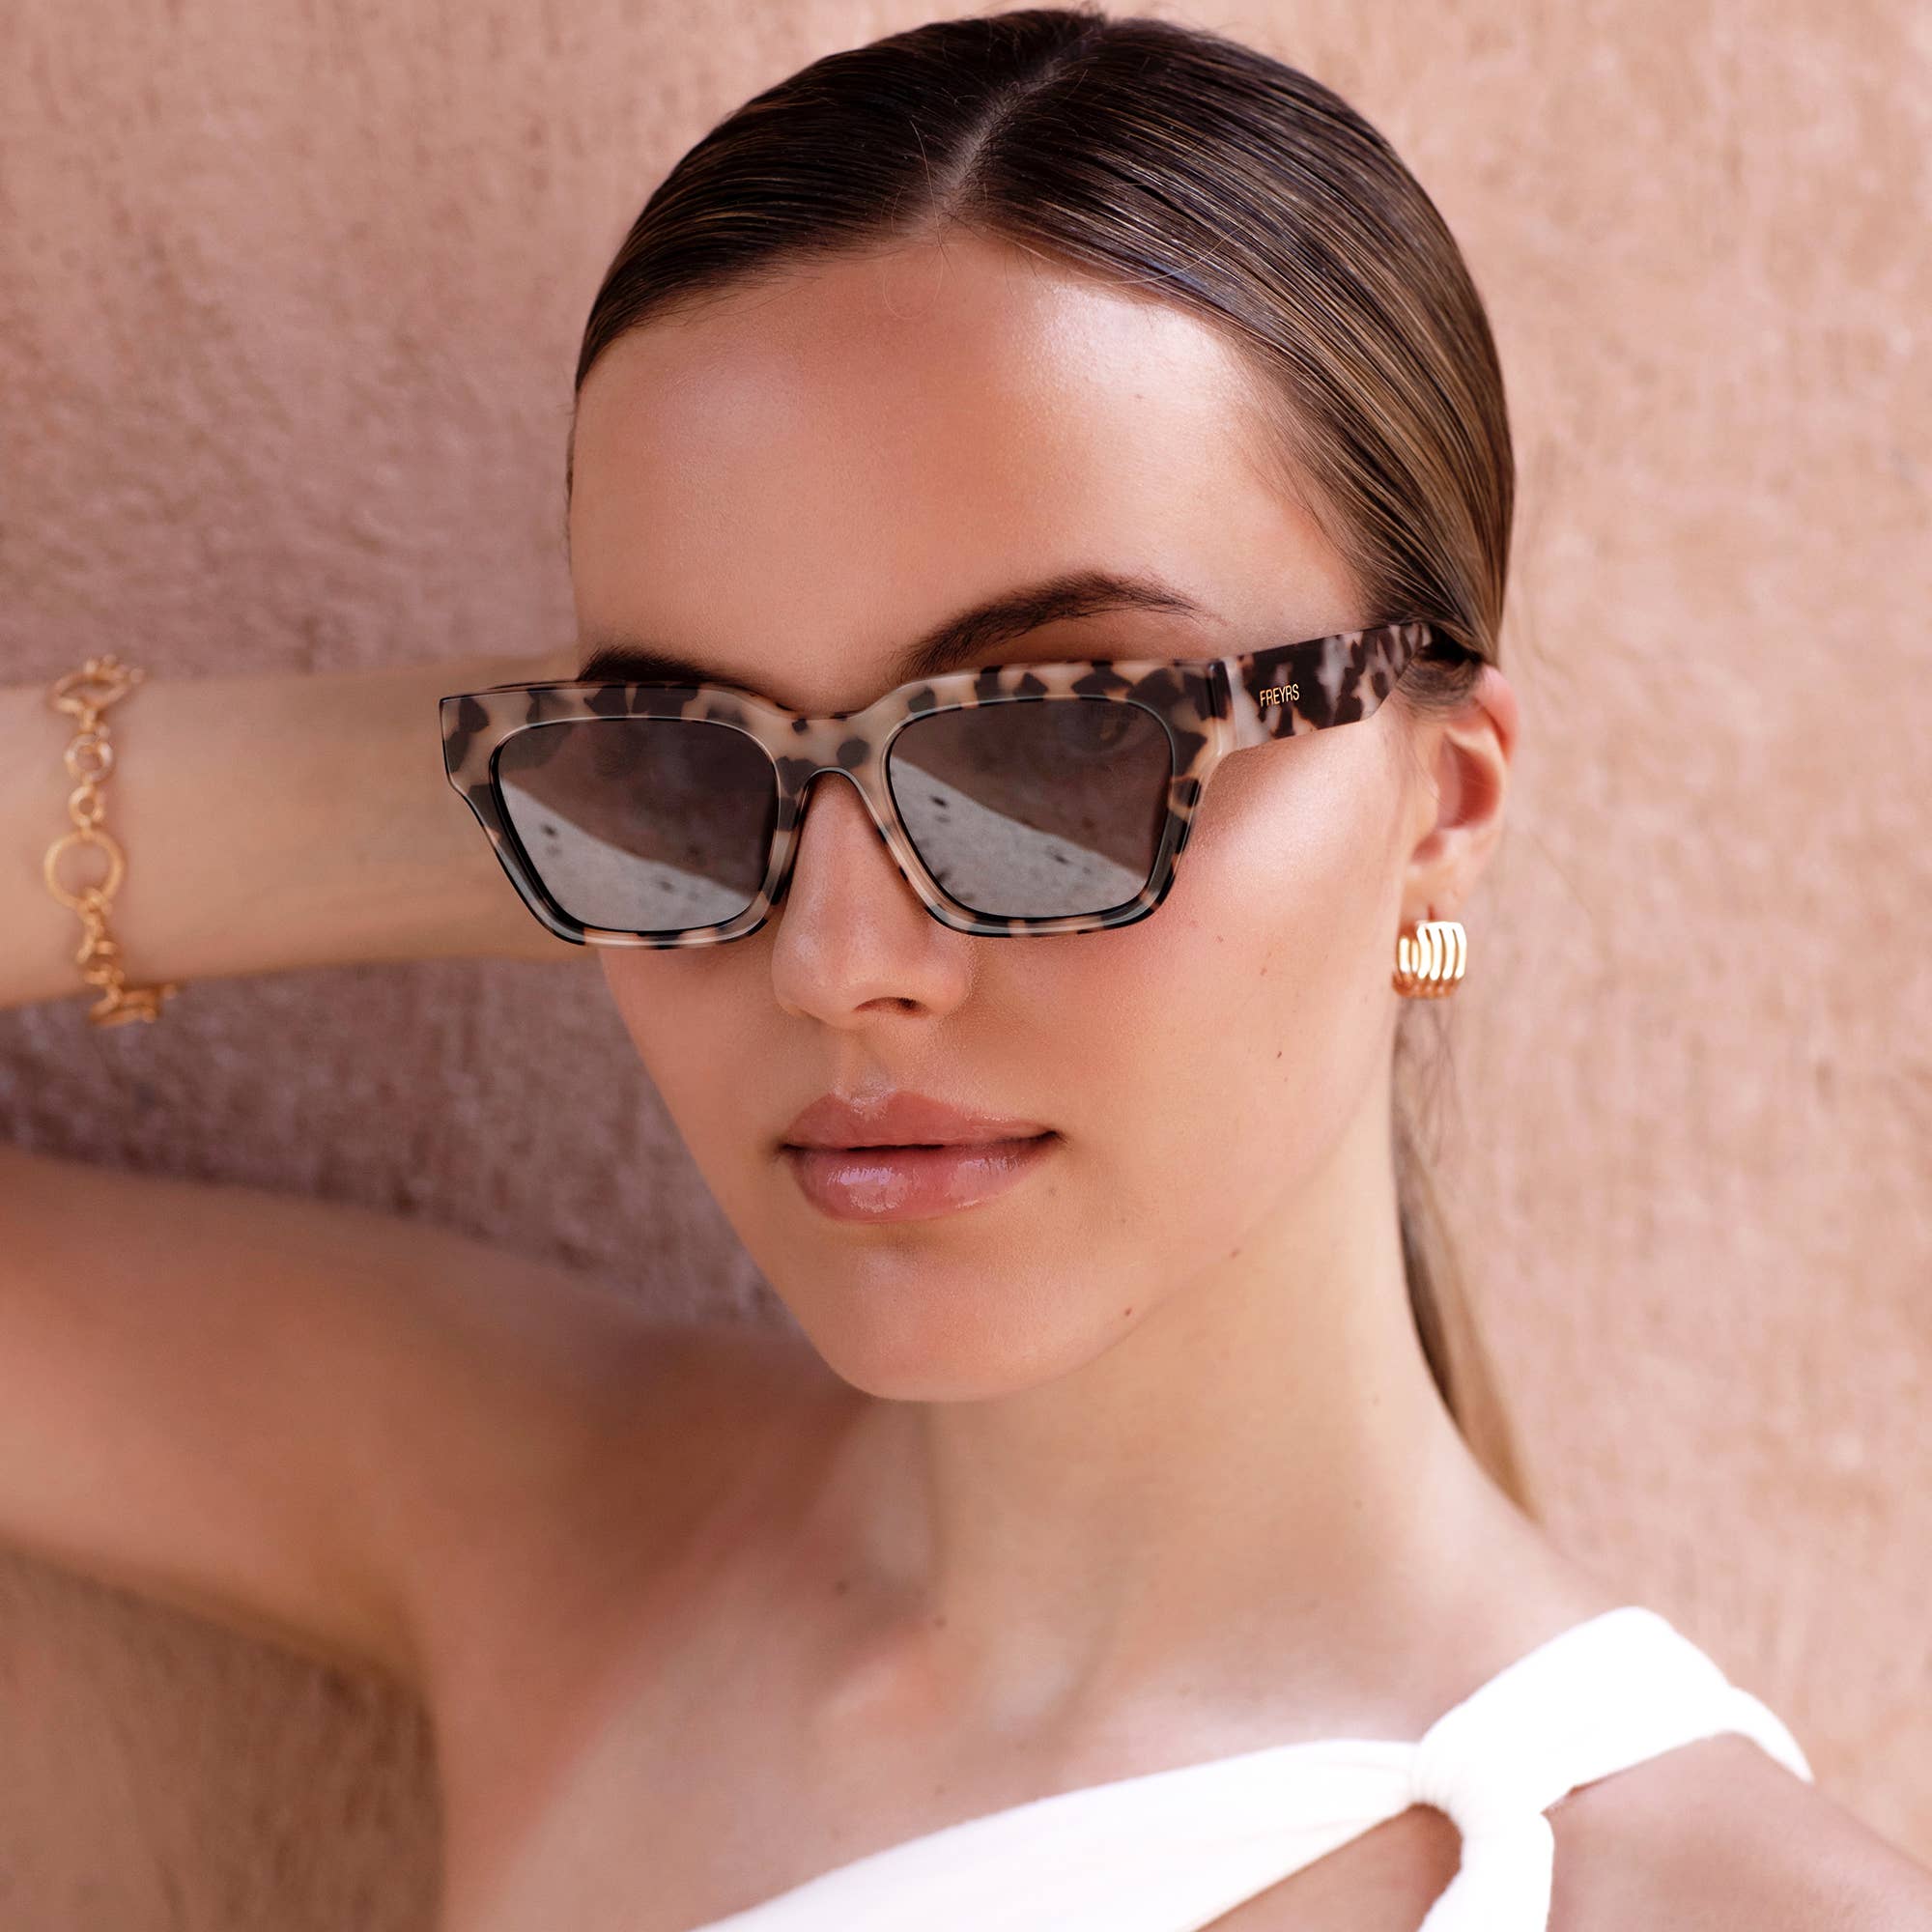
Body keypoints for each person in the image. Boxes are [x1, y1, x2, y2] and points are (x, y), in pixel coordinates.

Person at [4, 8, 1927, 1929]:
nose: (836, 964)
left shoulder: (1712, 1903)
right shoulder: (552, 1509)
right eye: (678, 760)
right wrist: (543, 797)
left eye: (1057, 747)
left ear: (1442, 797)